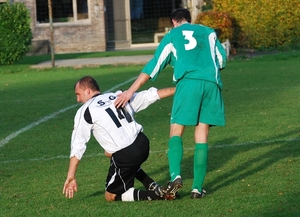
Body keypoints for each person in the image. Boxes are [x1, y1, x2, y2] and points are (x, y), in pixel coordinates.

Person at [115, 8, 227, 200]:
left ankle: (175, 176)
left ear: (174, 21)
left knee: (176, 131)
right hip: (211, 84)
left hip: (188, 83)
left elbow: (154, 65)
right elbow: (222, 60)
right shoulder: (209, 32)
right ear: (189, 20)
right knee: (202, 134)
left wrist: (130, 91)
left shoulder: (172, 35)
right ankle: (197, 189)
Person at [62, 76, 175, 201]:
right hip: (142, 142)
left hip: (127, 154)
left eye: (78, 94)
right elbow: (150, 95)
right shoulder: (117, 96)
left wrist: (71, 175)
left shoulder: (84, 111)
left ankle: (158, 195)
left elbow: (77, 146)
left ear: (88, 91)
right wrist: (179, 89)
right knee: (110, 153)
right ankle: (151, 185)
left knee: (111, 195)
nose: (78, 99)